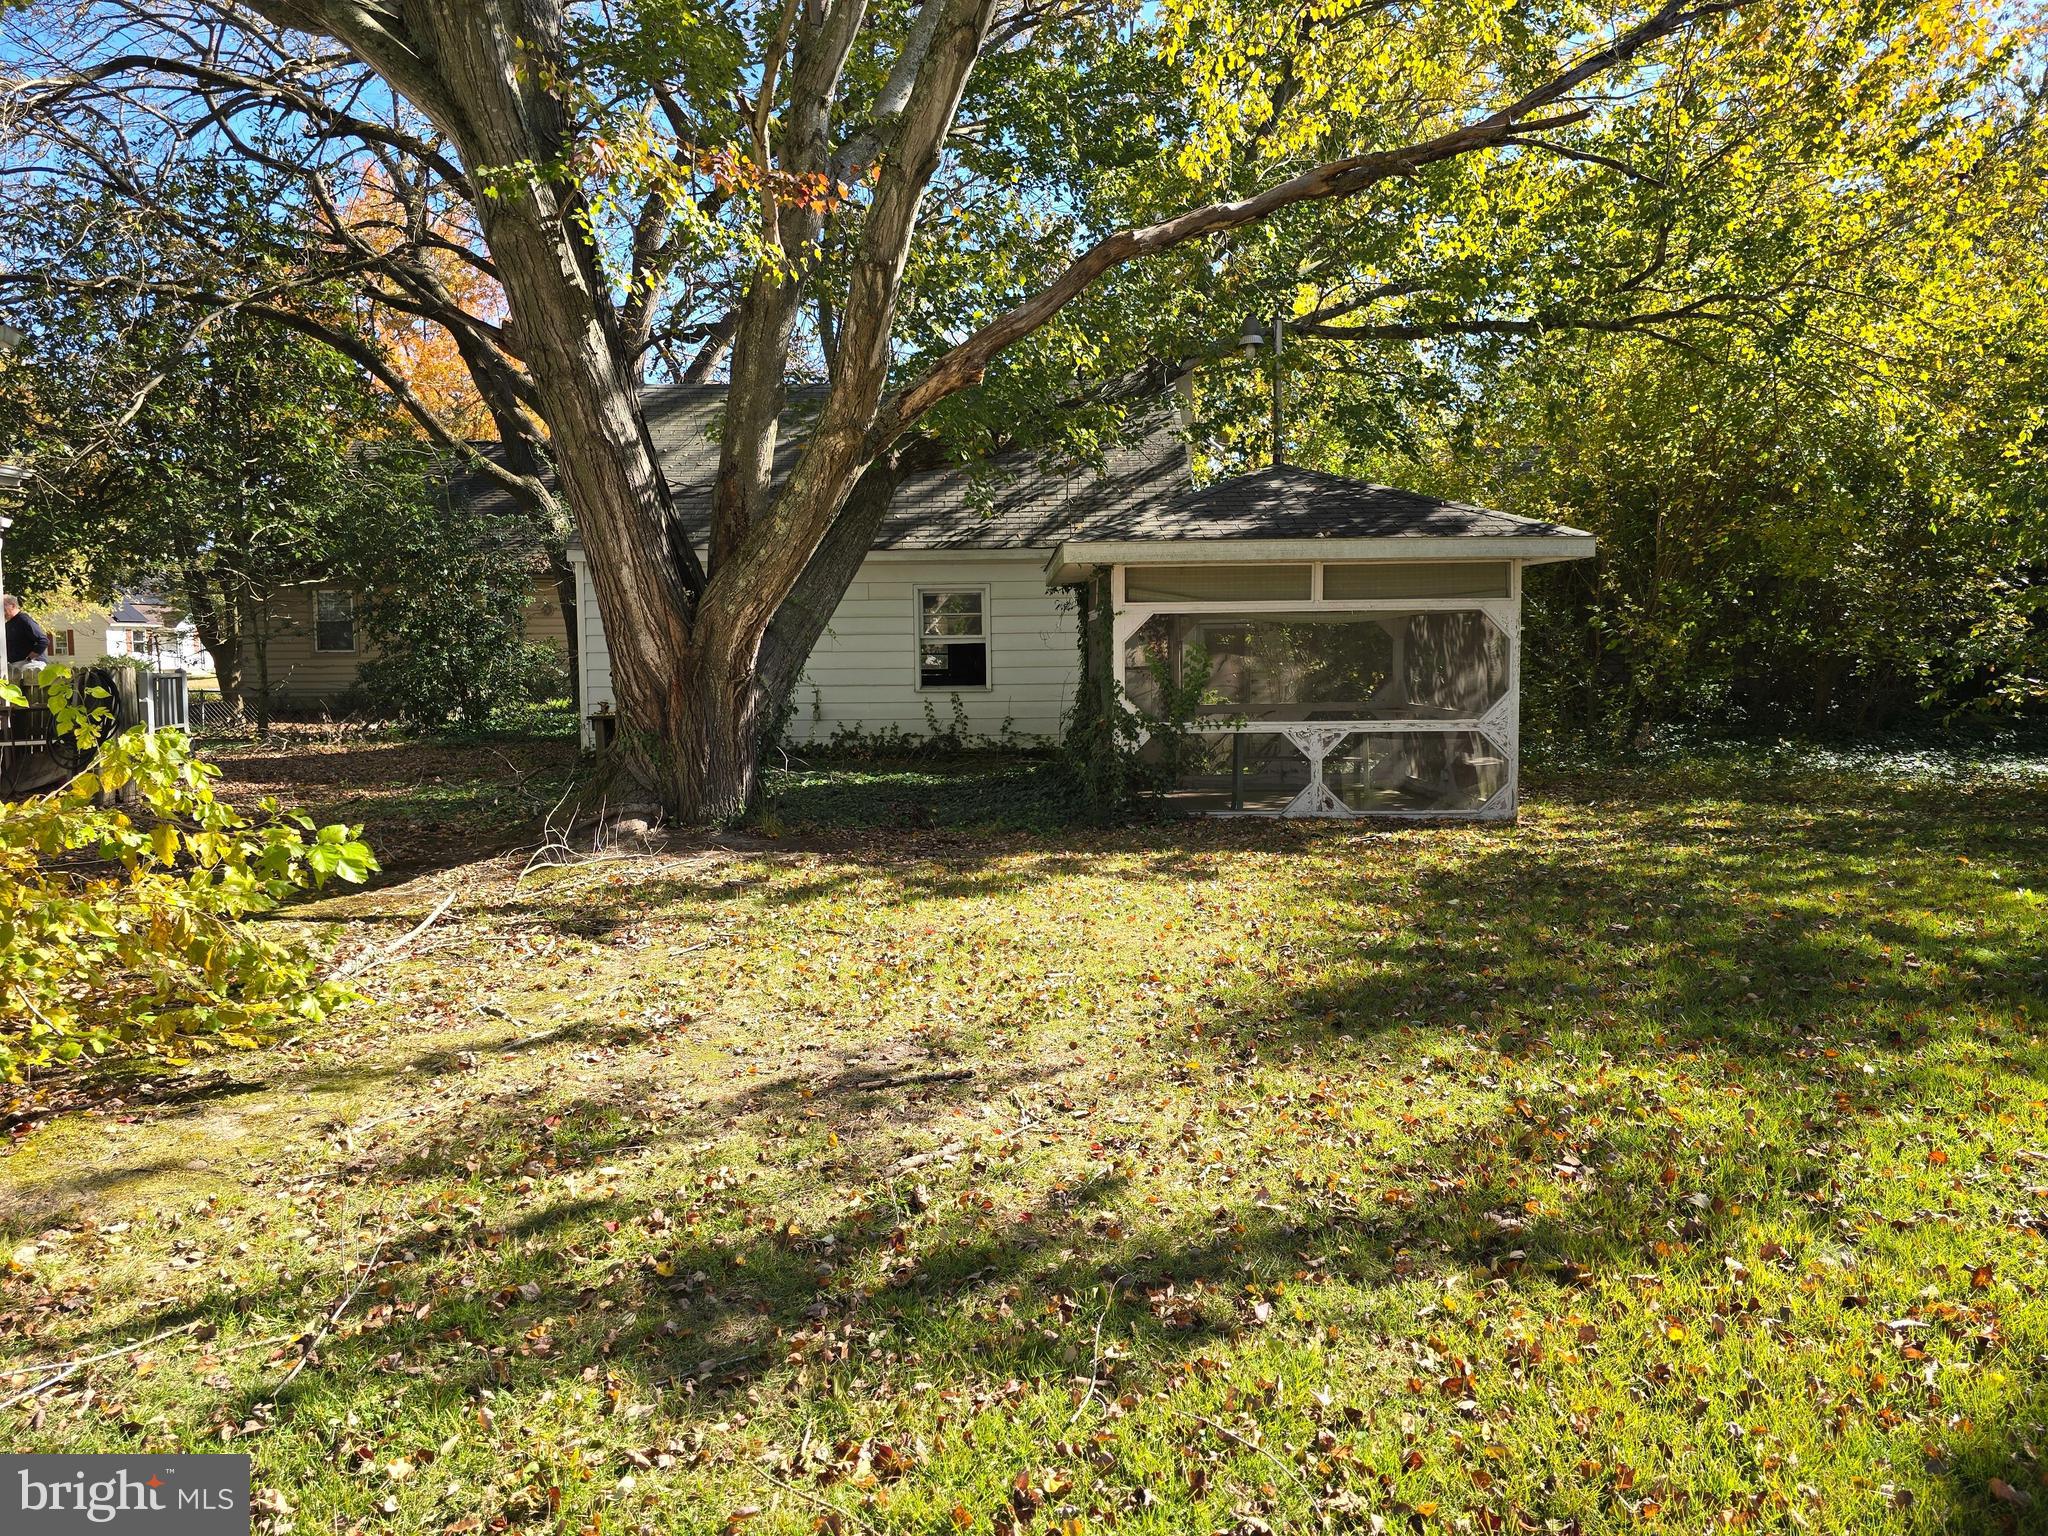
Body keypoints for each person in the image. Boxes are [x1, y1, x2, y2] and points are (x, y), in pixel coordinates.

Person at [4, 594, 49, 680]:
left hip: (31, 665)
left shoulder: (23, 619)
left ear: (12, 606)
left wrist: (28, 659)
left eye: (2, 607)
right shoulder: (7, 625)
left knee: (33, 693)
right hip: (15, 666)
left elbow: (43, 641)